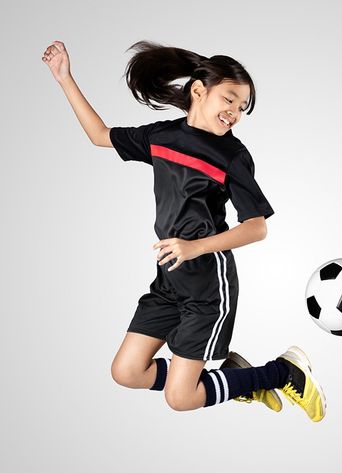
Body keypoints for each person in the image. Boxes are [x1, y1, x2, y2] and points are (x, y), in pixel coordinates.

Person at [42, 39, 327, 422]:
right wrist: (65, 79)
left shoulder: (232, 156)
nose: (234, 113)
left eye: (242, 108)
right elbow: (100, 135)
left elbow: (257, 227)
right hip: (168, 280)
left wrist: (195, 248)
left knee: (181, 397)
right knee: (126, 372)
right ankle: (234, 378)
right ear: (198, 90)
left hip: (208, 286)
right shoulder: (162, 137)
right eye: (229, 100)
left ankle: (285, 371)